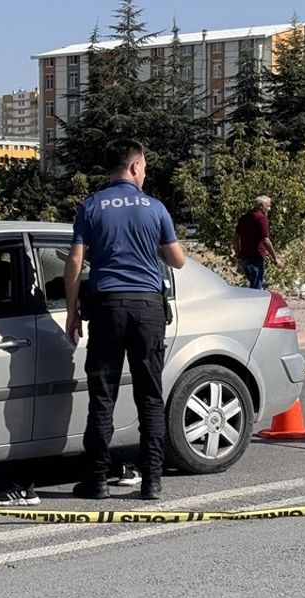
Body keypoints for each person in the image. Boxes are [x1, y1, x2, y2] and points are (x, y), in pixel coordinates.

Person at [65, 138, 186, 501]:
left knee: (102, 397)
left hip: (106, 307)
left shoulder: (90, 207)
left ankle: (97, 480)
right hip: (148, 309)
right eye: (145, 167)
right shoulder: (154, 208)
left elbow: (73, 262)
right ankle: (152, 481)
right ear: (134, 167)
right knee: (150, 396)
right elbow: (177, 260)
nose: (145, 173)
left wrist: (72, 312)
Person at [234, 196, 277, 290]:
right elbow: (265, 240)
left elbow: (235, 238)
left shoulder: (244, 218)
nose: (269, 209)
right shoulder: (261, 218)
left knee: (255, 285)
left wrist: (238, 255)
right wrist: (275, 258)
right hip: (256, 259)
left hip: (245, 259)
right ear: (261, 206)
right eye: (268, 206)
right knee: (256, 289)